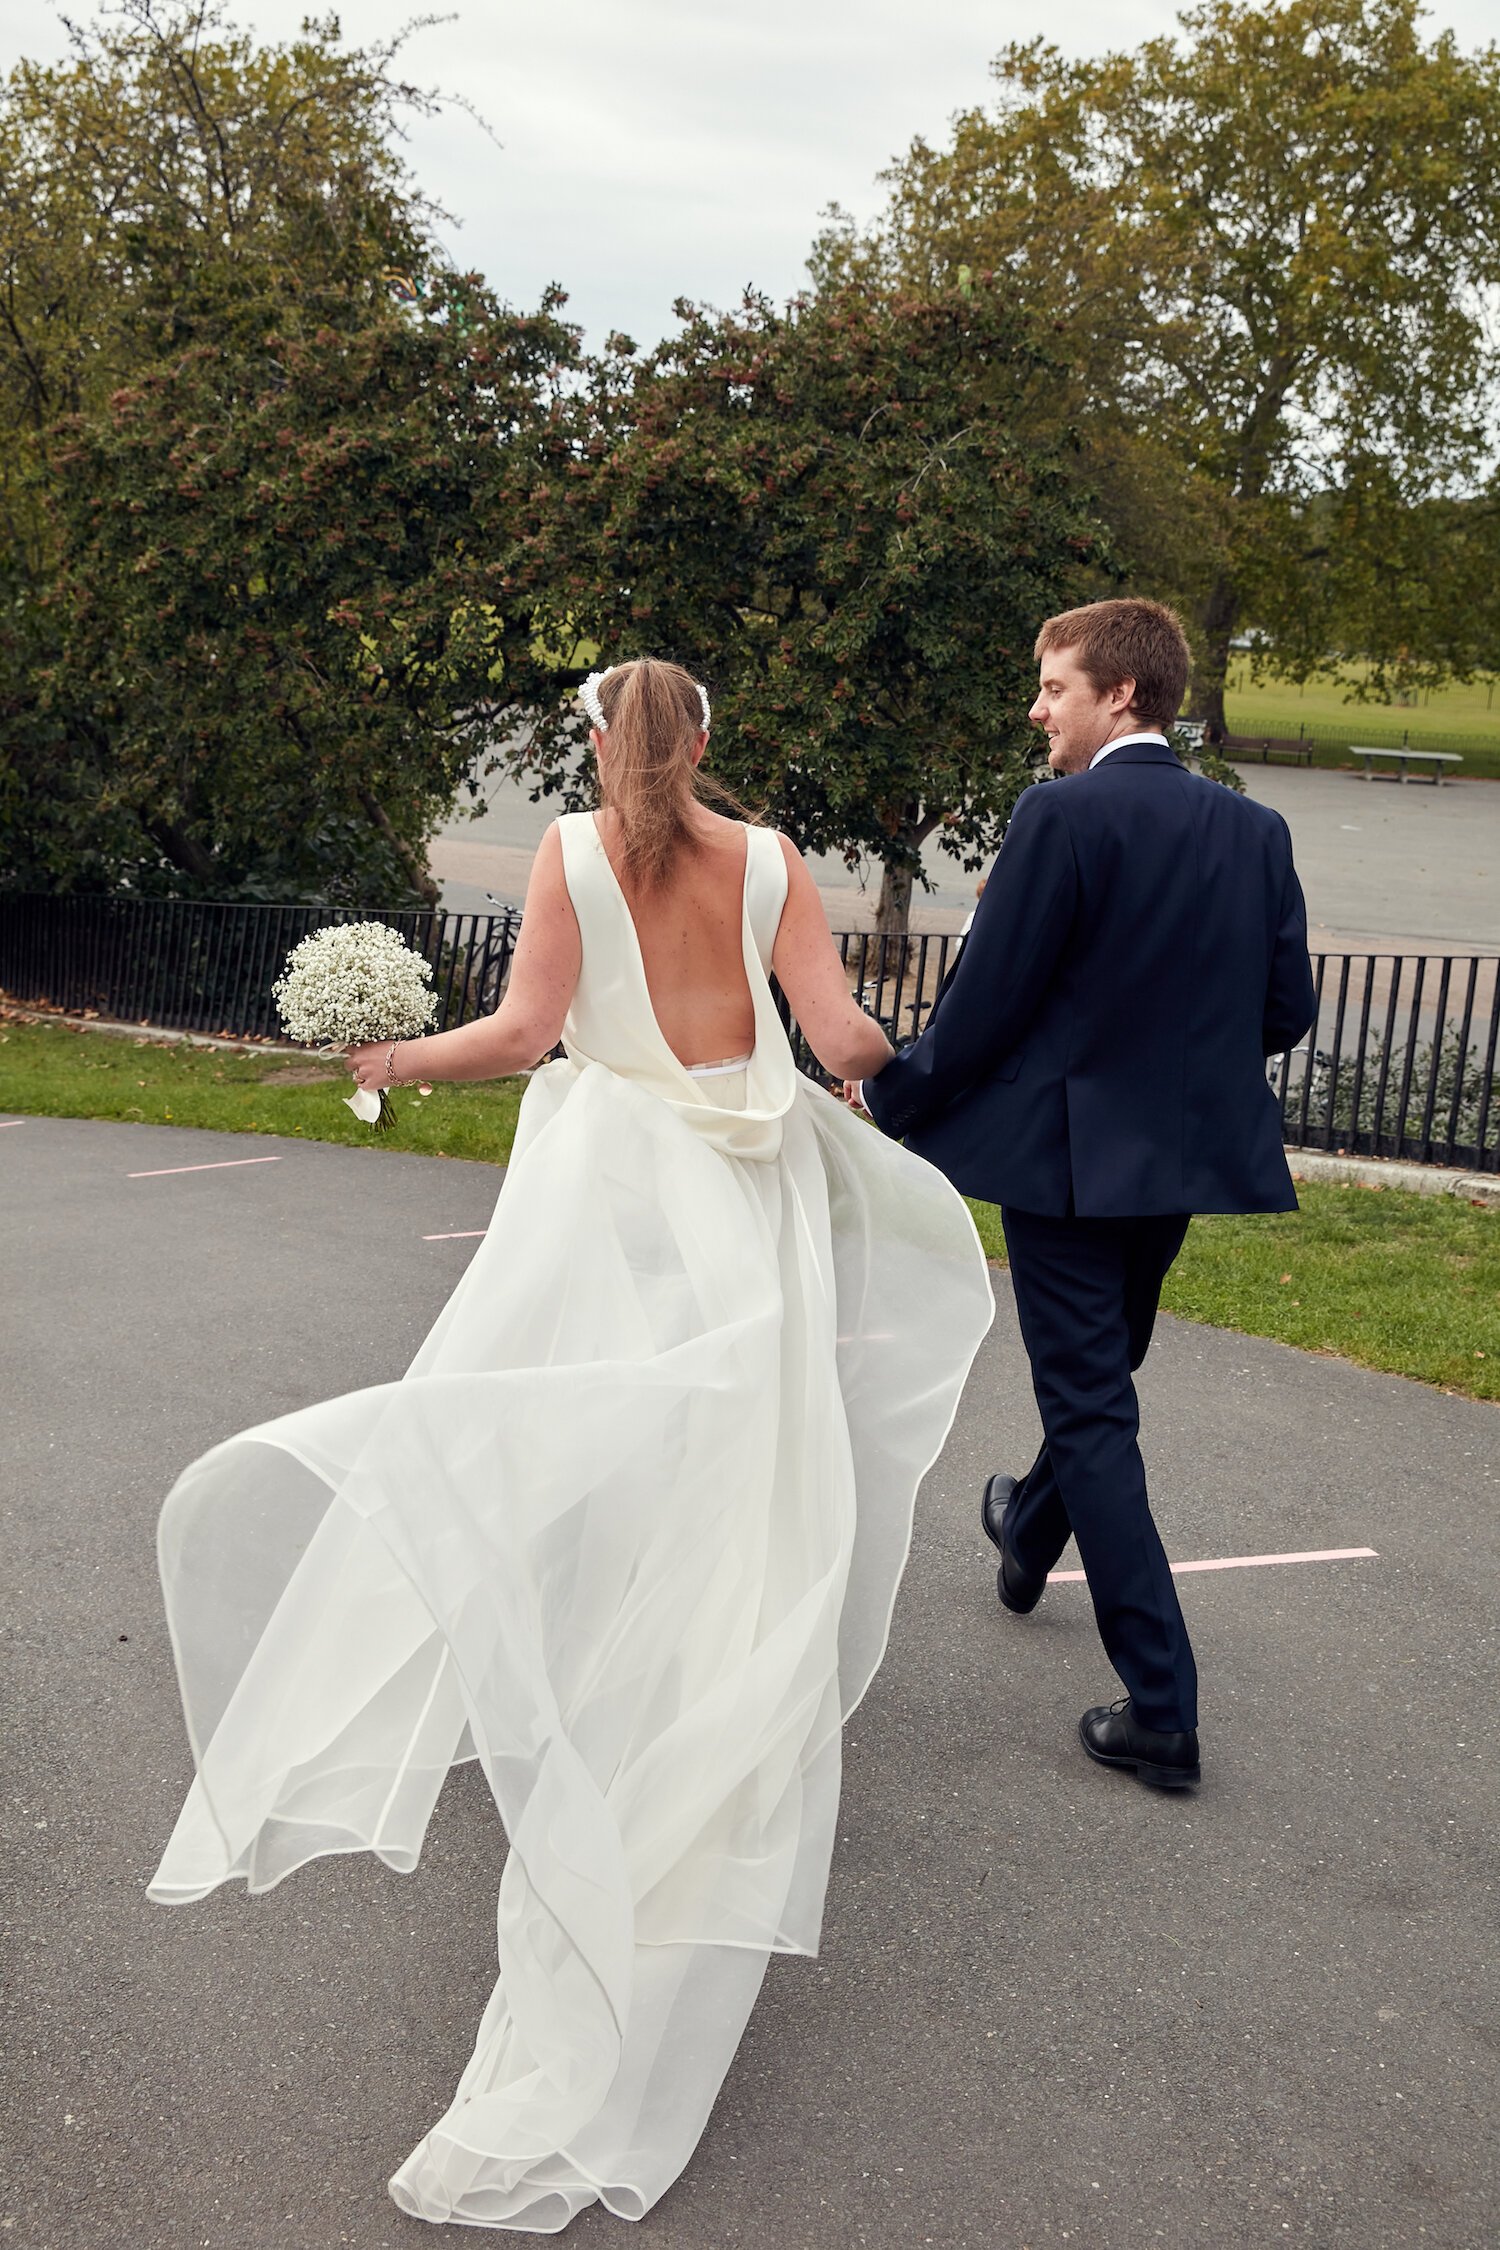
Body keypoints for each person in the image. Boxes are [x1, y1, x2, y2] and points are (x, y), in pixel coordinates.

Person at [147, 657, 993, 2230]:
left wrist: (391, 1061)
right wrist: (924, 1060)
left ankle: (593, 1700)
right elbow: (840, 1038)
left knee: (568, 1444)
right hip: (745, 1216)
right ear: (713, 743)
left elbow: (530, 1032)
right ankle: (684, 1744)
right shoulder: (779, 861)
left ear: (598, 740)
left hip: (601, 1213)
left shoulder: (563, 850)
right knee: (737, 1501)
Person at [855, 599, 1316, 1793]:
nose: (1037, 707)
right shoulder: (1252, 830)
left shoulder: (1058, 815)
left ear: (1122, 694)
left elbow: (987, 1004)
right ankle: (1027, 1523)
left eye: (1053, 686)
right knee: (1103, 1378)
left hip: (1063, 1166)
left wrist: (895, 1099)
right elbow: (1285, 1013)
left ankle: (1162, 1709)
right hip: (1174, 1163)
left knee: (1095, 1406)